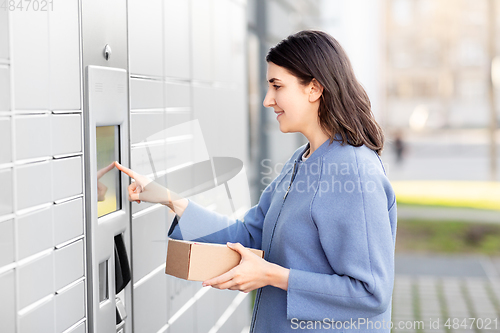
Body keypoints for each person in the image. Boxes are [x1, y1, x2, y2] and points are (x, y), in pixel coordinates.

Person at [115, 30, 397, 332]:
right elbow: (251, 234)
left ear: (314, 88)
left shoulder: (353, 172)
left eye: (277, 86)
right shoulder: (301, 160)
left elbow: (371, 292)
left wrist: (273, 275)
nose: (267, 100)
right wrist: (170, 199)